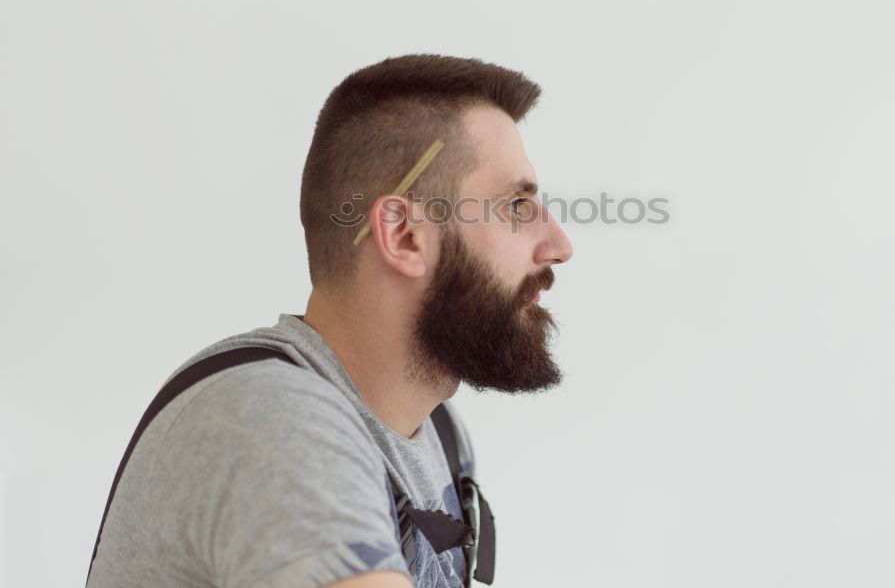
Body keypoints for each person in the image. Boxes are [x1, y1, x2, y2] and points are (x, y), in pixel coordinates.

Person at [86, 54, 574, 588]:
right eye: (516, 208)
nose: (559, 245)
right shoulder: (272, 419)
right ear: (406, 237)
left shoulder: (440, 435)